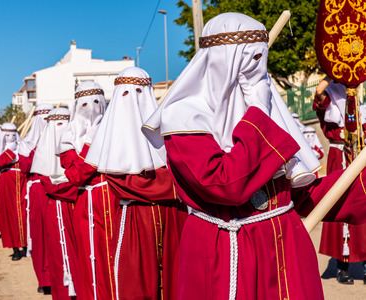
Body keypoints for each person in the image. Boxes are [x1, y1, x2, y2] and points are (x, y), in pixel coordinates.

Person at [142, 13, 366, 299]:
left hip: (286, 253)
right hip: (223, 254)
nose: (257, 71)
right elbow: (225, 184)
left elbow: (301, 195)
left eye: (261, 59)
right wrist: (258, 110)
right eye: (249, 59)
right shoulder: (184, 117)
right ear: (222, 60)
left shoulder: (267, 107)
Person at [83, 68, 187, 300]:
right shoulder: (111, 136)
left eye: (140, 91)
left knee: (178, 280)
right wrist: (174, 184)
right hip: (136, 219)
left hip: (173, 217)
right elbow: (124, 183)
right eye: (128, 93)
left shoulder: (167, 128)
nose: (135, 100)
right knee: (137, 285)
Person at [58, 81, 114, 299]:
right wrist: (90, 144)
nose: (91, 110)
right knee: (91, 256)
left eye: (97, 102)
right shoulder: (68, 138)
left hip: (116, 200)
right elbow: (76, 176)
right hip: (87, 203)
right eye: (84, 104)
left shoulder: (115, 128)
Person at [313, 76, 366, 284]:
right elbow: (319, 93)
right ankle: (342, 266)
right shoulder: (330, 92)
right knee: (338, 205)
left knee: (362, 206)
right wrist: (334, 72)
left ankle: (363, 264)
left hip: (359, 155)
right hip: (339, 155)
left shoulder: (360, 95)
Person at [32, 107, 79, 299]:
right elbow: (53, 186)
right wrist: (80, 184)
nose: (62, 129)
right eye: (58, 124)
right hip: (58, 207)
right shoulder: (44, 152)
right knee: (60, 253)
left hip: (80, 208)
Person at [18, 103, 53, 294]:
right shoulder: (27, 143)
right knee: (39, 235)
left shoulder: (61, 139)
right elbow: (24, 168)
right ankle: (44, 278)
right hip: (38, 190)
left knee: (56, 234)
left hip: (58, 189)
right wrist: (39, 150)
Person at [0, 123, 27, 261]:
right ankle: (15, 248)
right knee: (9, 215)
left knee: (23, 213)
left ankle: (26, 245)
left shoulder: (21, 146)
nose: (11, 138)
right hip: (7, 183)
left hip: (22, 181)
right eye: (7, 135)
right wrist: (10, 152)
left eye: (13, 134)